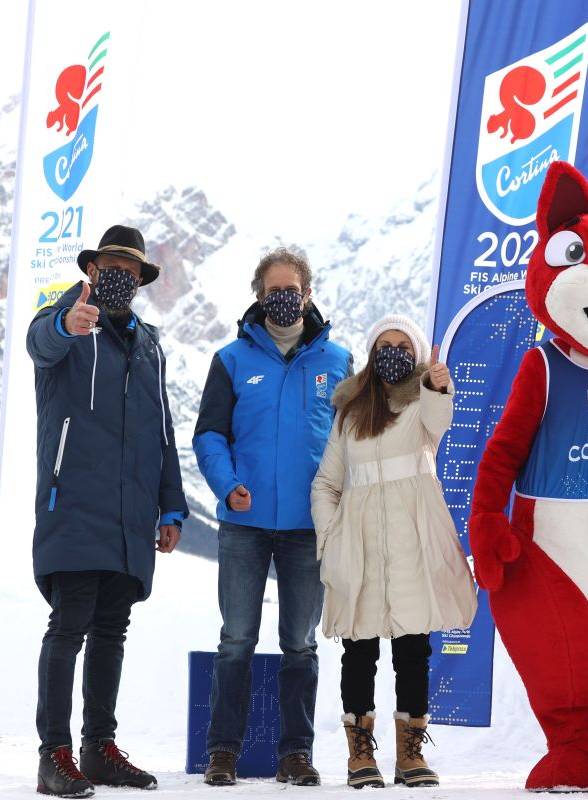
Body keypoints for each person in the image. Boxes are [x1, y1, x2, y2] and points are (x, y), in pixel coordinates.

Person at [26, 224, 188, 796]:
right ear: (91, 271)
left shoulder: (150, 346)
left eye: (129, 269)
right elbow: (38, 343)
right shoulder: (65, 319)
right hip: (72, 502)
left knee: (112, 630)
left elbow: (162, 432)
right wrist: (65, 323)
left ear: (140, 281)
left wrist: (171, 506)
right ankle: (55, 754)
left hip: (131, 512)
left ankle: (98, 747)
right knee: (69, 625)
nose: (118, 276)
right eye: (108, 266)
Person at [192, 248, 352, 787]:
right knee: (236, 638)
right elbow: (210, 434)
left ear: (307, 294)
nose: (284, 298)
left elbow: (351, 439)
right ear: (259, 297)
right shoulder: (231, 360)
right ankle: (222, 752)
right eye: (273, 291)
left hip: (309, 527)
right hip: (244, 523)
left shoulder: (338, 361)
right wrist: (227, 484)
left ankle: (295, 754)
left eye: (293, 290)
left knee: (300, 644)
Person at [310, 314, 477, 789]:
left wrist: (440, 387)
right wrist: (330, 537)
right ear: (371, 351)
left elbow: (439, 420)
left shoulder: (424, 402)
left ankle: (410, 753)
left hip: (412, 544)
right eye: (385, 343)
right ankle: (359, 755)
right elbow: (326, 483)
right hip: (358, 546)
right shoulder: (349, 412)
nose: (393, 351)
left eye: (403, 344)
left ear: (418, 353)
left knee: (413, 650)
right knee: (358, 652)